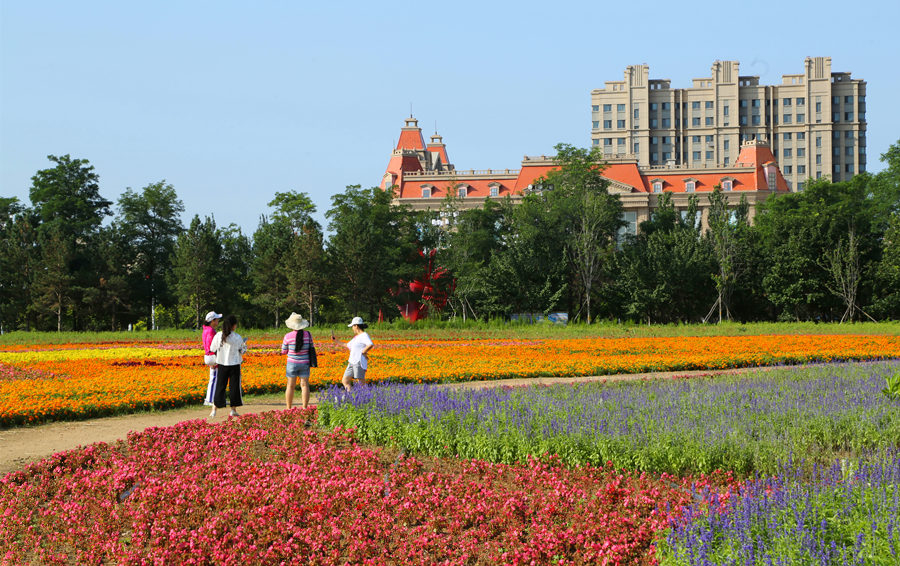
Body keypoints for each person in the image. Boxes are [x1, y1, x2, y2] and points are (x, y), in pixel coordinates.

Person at [209, 314, 246, 418]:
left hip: (221, 364)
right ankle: (233, 410)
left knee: (220, 386)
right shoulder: (237, 337)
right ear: (233, 326)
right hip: (234, 365)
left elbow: (212, 348)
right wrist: (245, 345)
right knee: (234, 388)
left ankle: (214, 409)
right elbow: (242, 350)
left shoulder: (218, 335)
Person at [282, 312, 317, 409]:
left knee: (290, 386)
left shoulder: (287, 336)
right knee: (305, 385)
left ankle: (289, 408)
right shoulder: (308, 335)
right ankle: (304, 407)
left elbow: (284, 351)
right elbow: (311, 347)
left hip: (292, 363)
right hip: (305, 363)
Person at [335, 316, 373, 392]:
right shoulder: (356, 337)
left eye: (352, 326)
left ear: (356, 326)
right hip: (352, 362)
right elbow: (347, 345)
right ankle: (351, 397)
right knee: (345, 381)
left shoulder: (364, 335)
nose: (352, 328)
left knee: (361, 382)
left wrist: (363, 352)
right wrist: (335, 340)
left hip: (359, 361)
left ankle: (367, 398)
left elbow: (370, 344)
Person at [201, 311, 222, 408]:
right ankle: (210, 399)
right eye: (217, 319)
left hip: (208, 356)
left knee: (214, 378)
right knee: (214, 378)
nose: (218, 321)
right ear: (212, 321)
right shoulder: (211, 331)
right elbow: (212, 345)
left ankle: (212, 398)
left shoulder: (206, 329)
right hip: (212, 356)